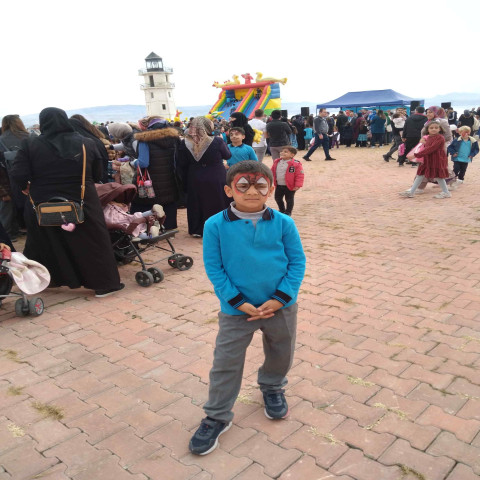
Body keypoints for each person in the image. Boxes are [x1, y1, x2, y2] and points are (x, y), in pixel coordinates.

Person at [188, 160, 306, 455]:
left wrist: (281, 298)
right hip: (236, 310)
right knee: (226, 361)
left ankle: (272, 386)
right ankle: (217, 415)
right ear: (229, 190)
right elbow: (214, 268)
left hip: (280, 306)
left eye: (260, 186)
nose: (252, 191)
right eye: (243, 185)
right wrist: (238, 302)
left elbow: (297, 262)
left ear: (270, 190)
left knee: (281, 350)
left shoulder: (284, 223)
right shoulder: (214, 225)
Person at [10, 107, 124, 296]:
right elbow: (97, 173)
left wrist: (25, 187)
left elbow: (18, 173)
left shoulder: (30, 144)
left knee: (47, 241)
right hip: (82, 198)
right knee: (92, 242)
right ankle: (103, 284)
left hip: (42, 201)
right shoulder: (86, 143)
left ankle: (48, 280)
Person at [178, 116, 231, 238]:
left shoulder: (185, 142)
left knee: (197, 202)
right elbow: (227, 155)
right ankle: (218, 228)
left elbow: (182, 162)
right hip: (216, 175)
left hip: (195, 175)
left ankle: (198, 229)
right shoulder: (217, 141)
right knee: (217, 200)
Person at [131, 117, 182, 231]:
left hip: (150, 180)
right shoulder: (174, 138)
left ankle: (149, 228)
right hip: (170, 178)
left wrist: (133, 162)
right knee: (168, 202)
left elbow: (143, 163)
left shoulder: (144, 139)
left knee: (145, 203)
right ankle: (169, 228)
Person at [399, 121, 450, 199]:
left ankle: (446, 192)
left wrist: (415, 155)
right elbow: (427, 147)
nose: (434, 129)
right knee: (420, 174)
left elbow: (431, 149)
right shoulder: (428, 137)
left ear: (440, 129)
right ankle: (411, 192)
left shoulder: (440, 138)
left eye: (436, 128)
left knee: (439, 176)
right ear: (428, 129)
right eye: (431, 128)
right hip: (427, 159)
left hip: (437, 159)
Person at [0, 115, 31, 240]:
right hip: (31, 175)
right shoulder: (29, 137)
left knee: (12, 206)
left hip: (10, 177)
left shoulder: (1, 139)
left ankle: (15, 231)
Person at [271, 147, 304, 216]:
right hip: (279, 185)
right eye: (282, 151)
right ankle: (281, 209)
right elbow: (272, 171)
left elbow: (300, 175)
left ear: (292, 155)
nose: (282, 153)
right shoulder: (277, 162)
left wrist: (298, 185)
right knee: (277, 198)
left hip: (290, 186)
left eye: (285, 152)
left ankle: (288, 211)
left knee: (289, 199)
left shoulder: (296, 164)